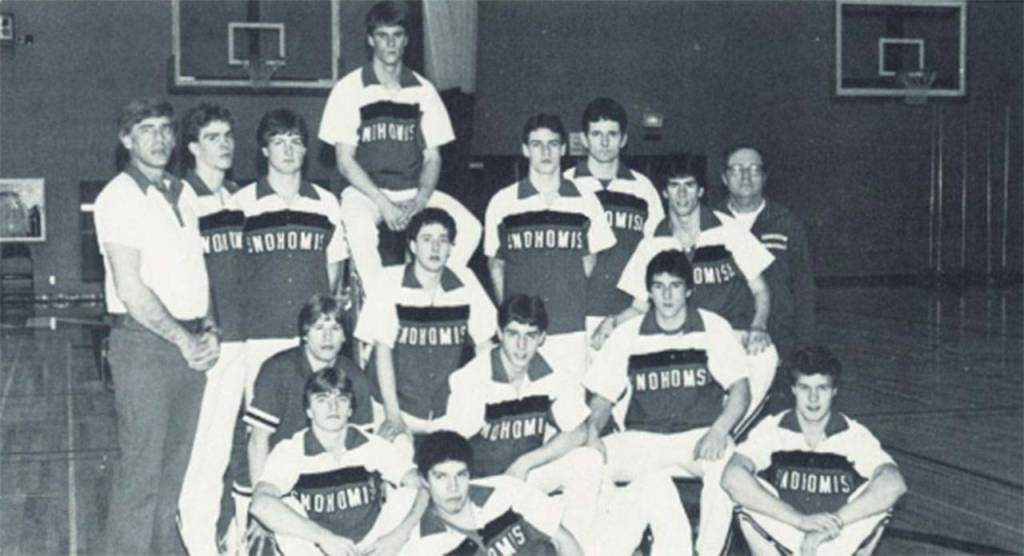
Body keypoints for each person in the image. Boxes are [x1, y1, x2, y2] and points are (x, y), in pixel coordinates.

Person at [94, 97, 219, 554]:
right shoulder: (117, 198)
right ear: (126, 139)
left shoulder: (183, 193)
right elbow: (131, 288)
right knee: (142, 476)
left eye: (166, 128)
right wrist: (185, 340)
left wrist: (210, 331)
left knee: (173, 475)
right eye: (146, 129)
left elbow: (197, 273)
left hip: (187, 345)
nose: (160, 137)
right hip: (143, 346)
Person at [584, 250, 751, 556]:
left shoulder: (712, 327)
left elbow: (740, 390)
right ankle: (613, 545)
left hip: (696, 437)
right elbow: (603, 399)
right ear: (648, 292)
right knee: (589, 462)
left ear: (689, 290)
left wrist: (718, 431)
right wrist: (593, 433)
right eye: (659, 286)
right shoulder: (628, 334)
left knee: (725, 462)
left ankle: (707, 551)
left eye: (675, 286)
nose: (667, 295)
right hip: (644, 439)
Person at [319, 0, 481, 295]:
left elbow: (433, 157)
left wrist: (421, 198)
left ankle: (426, 292)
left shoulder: (424, 90)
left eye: (397, 35)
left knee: (470, 228)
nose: (391, 43)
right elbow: (344, 161)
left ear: (406, 40)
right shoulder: (348, 89)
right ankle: (381, 306)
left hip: (412, 191)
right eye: (383, 35)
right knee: (360, 230)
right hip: (365, 192)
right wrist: (382, 203)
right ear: (371, 40)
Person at [605, 155, 776, 431]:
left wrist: (758, 326)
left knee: (764, 359)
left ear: (700, 190)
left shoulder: (728, 231)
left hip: (734, 335)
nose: (682, 194)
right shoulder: (653, 243)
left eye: (688, 185)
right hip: (683, 343)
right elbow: (639, 306)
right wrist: (611, 324)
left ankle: (725, 434)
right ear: (664, 191)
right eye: (674, 186)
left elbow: (761, 290)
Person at [439, 295, 602, 543]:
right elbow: (450, 453)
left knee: (588, 459)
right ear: (499, 333)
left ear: (542, 337)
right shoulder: (472, 378)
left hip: (524, 474)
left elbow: (579, 431)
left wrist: (526, 462)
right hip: (484, 486)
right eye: (514, 334)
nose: (522, 346)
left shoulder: (551, 371)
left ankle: (574, 546)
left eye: (531, 335)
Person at [722, 347, 907, 556]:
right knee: (743, 487)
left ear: (834, 391)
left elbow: (894, 484)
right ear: (793, 389)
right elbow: (732, 477)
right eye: (804, 388)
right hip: (787, 531)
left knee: (880, 497)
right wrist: (800, 521)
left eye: (822, 388)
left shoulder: (852, 434)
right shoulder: (772, 430)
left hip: (834, 538)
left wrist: (832, 524)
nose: (813, 398)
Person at [484, 113, 616, 382]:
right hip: (522, 332)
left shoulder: (586, 200)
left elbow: (590, 261)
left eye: (553, 144)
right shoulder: (503, 201)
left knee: (572, 410)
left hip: (570, 327)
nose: (545, 152)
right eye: (537, 144)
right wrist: (511, 316)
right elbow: (497, 264)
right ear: (525, 150)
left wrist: (564, 287)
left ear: (564, 149)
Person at [235, 108, 348, 399]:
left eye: (296, 141)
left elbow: (333, 268)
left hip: (313, 337)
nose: (288, 150)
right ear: (264, 149)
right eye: (278, 141)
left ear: (306, 149)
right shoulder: (241, 204)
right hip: (260, 333)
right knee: (262, 424)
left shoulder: (326, 203)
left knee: (317, 418)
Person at [355, 208, 496, 441]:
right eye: (427, 239)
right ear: (413, 246)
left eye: (443, 240)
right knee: (399, 457)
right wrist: (394, 417)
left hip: (444, 408)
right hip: (393, 404)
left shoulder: (466, 281)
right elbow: (382, 351)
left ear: (451, 247)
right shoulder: (389, 280)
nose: (435, 248)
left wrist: (492, 400)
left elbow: (485, 348)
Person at [176, 103, 248, 556]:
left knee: (233, 443)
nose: (224, 145)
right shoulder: (183, 197)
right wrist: (205, 327)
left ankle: (234, 533)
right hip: (211, 338)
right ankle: (198, 537)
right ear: (192, 147)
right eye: (213, 137)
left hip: (245, 335)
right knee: (205, 446)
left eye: (228, 136)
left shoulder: (237, 198)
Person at [250, 367, 420, 555]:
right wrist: (324, 538)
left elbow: (423, 487)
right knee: (286, 506)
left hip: (371, 547)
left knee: (407, 495)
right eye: (322, 400)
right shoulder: (291, 450)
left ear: (350, 409)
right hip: (319, 548)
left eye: (341, 399)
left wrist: (399, 534)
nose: (333, 408)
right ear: (308, 410)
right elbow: (260, 504)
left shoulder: (372, 445)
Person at [714, 145, 816, 413]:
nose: (745, 176)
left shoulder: (786, 223)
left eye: (753, 170)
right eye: (736, 170)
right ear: (724, 178)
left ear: (765, 177)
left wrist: (803, 348)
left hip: (777, 339)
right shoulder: (710, 222)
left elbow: (803, 289)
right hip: (725, 337)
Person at [564, 98, 664, 357]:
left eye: (612, 134)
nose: (605, 142)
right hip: (575, 314)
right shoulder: (566, 185)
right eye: (596, 134)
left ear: (623, 139)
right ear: (585, 139)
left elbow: (658, 251)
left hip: (627, 312)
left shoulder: (643, 188)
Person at [401, 430, 583, 555]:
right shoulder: (424, 546)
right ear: (425, 481)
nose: (453, 487)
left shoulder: (506, 490)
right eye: (441, 477)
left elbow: (564, 541)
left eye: (460, 475)